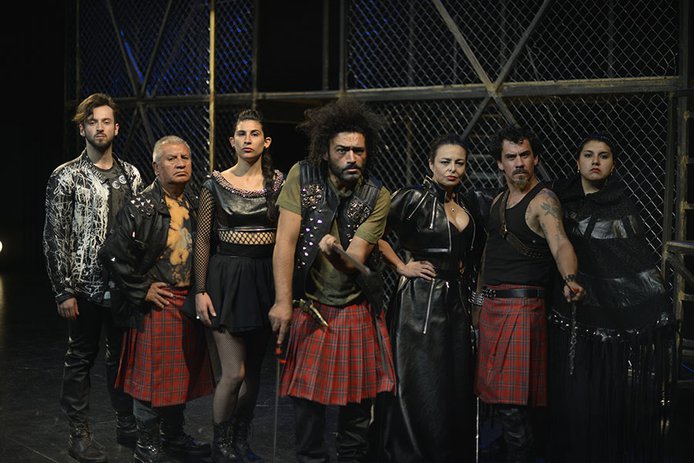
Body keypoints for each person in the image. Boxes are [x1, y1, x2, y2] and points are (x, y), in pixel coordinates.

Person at [268, 97, 396, 463]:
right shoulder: (302, 175)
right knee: (307, 409)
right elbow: (285, 242)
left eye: (359, 151)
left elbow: (354, 261)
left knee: (357, 411)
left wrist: (335, 251)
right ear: (326, 151)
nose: (352, 158)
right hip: (311, 306)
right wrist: (282, 301)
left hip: (355, 307)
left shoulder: (377, 195)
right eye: (343, 150)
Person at [546, 133, 674, 462]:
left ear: (613, 165)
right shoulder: (559, 199)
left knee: (602, 396)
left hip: (607, 325)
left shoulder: (621, 204)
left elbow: (632, 261)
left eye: (603, 156)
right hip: (566, 314)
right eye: (588, 155)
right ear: (577, 162)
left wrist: (654, 300)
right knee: (568, 394)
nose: (595, 161)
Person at [100, 135, 215, 463]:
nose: (180, 164)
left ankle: (173, 436)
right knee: (151, 379)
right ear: (155, 166)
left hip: (186, 302)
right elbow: (111, 253)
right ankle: (146, 444)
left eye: (185, 158)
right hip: (157, 304)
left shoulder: (194, 202)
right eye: (171, 158)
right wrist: (142, 288)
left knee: (178, 377)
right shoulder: (142, 205)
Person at [473, 125, 585, 463]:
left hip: (521, 309)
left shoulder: (543, 200)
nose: (519, 163)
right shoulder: (497, 201)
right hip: (492, 308)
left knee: (513, 402)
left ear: (535, 159)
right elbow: (488, 257)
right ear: (500, 163)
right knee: (500, 398)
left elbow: (560, 242)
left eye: (525, 155)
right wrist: (477, 304)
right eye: (511, 157)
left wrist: (570, 278)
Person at [43, 92, 141, 463]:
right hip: (83, 286)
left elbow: (139, 232)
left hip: (123, 287)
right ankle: (79, 433)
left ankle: (126, 424)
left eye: (105, 121)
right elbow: (54, 235)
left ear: (116, 128)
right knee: (80, 358)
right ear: (82, 128)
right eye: (92, 121)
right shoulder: (66, 176)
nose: (99, 128)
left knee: (122, 359)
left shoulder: (132, 175)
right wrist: (63, 290)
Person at [373, 134, 483, 463]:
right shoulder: (412, 198)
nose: (452, 168)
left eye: (459, 163)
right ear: (431, 164)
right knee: (419, 383)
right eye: (445, 162)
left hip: (457, 301)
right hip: (419, 303)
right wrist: (401, 266)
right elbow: (371, 232)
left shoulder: (468, 203)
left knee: (453, 383)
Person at [193, 109, 284, 463]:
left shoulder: (279, 184)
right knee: (234, 372)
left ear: (266, 141)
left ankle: (240, 440)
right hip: (227, 280)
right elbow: (203, 240)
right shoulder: (214, 184)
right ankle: (221, 444)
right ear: (232, 141)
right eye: (241, 134)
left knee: (255, 372)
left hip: (264, 278)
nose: (248, 140)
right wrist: (200, 290)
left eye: (254, 133)